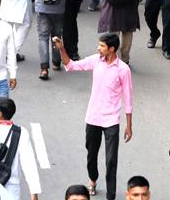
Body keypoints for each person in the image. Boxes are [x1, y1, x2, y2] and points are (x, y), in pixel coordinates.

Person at [56, 34, 133, 200]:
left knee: (111, 160)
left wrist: (129, 125)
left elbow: (128, 98)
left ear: (111, 49)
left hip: (112, 120)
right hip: (93, 117)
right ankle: (93, 179)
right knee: (91, 154)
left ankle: (110, 196)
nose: (98, 49)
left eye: (102, 46)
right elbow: (71, 66)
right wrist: (62, 48)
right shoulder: (96, 60)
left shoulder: (123, 70)